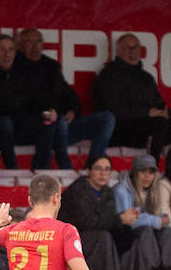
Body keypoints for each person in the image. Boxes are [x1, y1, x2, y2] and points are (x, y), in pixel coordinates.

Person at [14, 28, 115, 166]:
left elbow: (68, 94)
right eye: (29, 43)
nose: (35, 46)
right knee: (56, 119)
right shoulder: (14, 67)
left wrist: (72, 110)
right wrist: (52, 113)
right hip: (33, 127)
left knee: (107, 118)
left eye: (38, 42)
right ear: (19, 46)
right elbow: (20, 104)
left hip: (61, 128)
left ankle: (93, 166)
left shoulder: (51, 66)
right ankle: (65, 167)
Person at [0, 33, 69, 170]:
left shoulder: (24, 71)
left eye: (10, 49)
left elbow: (40, 98)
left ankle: (41, 168)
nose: (7, 54)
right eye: (1, 50)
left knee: (49, 118)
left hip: (20, 126)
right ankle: (13, 169)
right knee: (4, 122)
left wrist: (50, 110)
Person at [93, 33, 171, 153]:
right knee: (158, 122)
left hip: (148, 129)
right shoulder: (108, 74)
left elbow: (160, 104)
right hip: (120, 131)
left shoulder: (146, 78)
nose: (133, 51)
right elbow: (110, 110)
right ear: (118, 51)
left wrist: (167, 113)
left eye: (136, 47)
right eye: (128, 47)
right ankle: (152, 168)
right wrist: (146, 113)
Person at [58, 157, 139, 270]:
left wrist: (126, 221)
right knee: (103, 237)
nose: (103, 173)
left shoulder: (107, 192)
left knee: (129, 234)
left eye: (107, 170)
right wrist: (119, 219)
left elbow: (107, 222)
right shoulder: (78, 190)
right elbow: (89, 223)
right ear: (88, 171)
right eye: (98, 169)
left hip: (92, 237)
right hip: (70, 242)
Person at [112, 154, 171, 270]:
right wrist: (155, 220)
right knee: (146, 231)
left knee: (168, 232)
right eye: (143, 172)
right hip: (124, 236)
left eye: (151, 172)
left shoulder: (151, 189)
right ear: (134, 172)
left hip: (146, 232)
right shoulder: (121, 190)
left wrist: (161, 219)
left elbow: (149, 215)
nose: (147, 176)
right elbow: (129, 220)